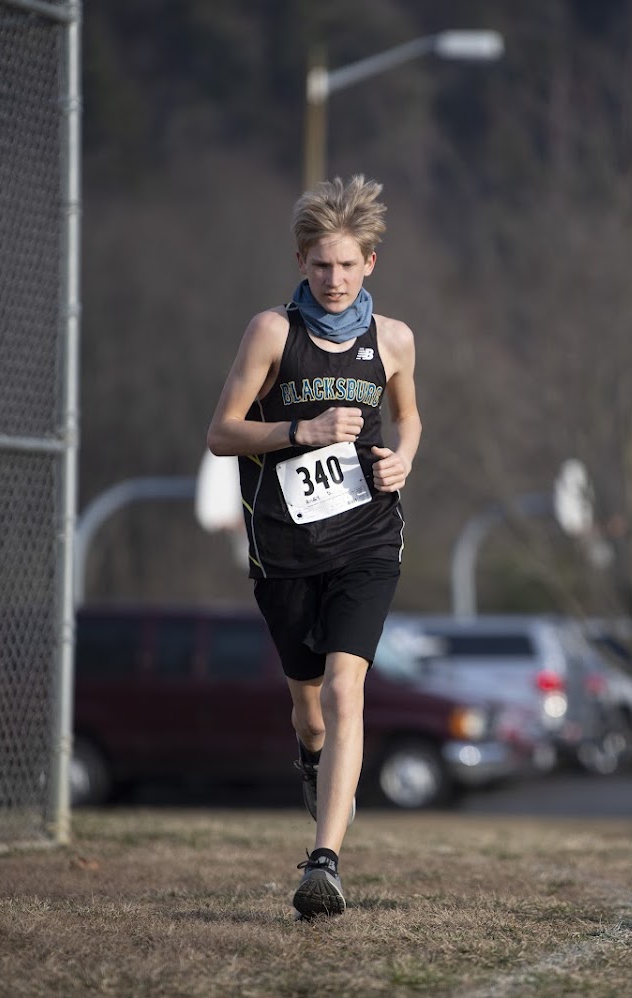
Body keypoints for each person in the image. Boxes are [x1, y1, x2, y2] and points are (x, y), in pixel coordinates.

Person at [206, 174, 420, 920]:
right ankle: (311, 758)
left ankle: (323, 862)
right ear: (301, 261)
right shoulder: (272, 332)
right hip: (286, 548)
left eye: (348, 264)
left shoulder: (393, 339)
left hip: (368, 538)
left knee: (344, 688)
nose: (334, 279)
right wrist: (303, 430)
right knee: (311, 713)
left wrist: (403, 460)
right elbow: (221, 433)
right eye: (321, 264)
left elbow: (409, 417)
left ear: (370, 264)